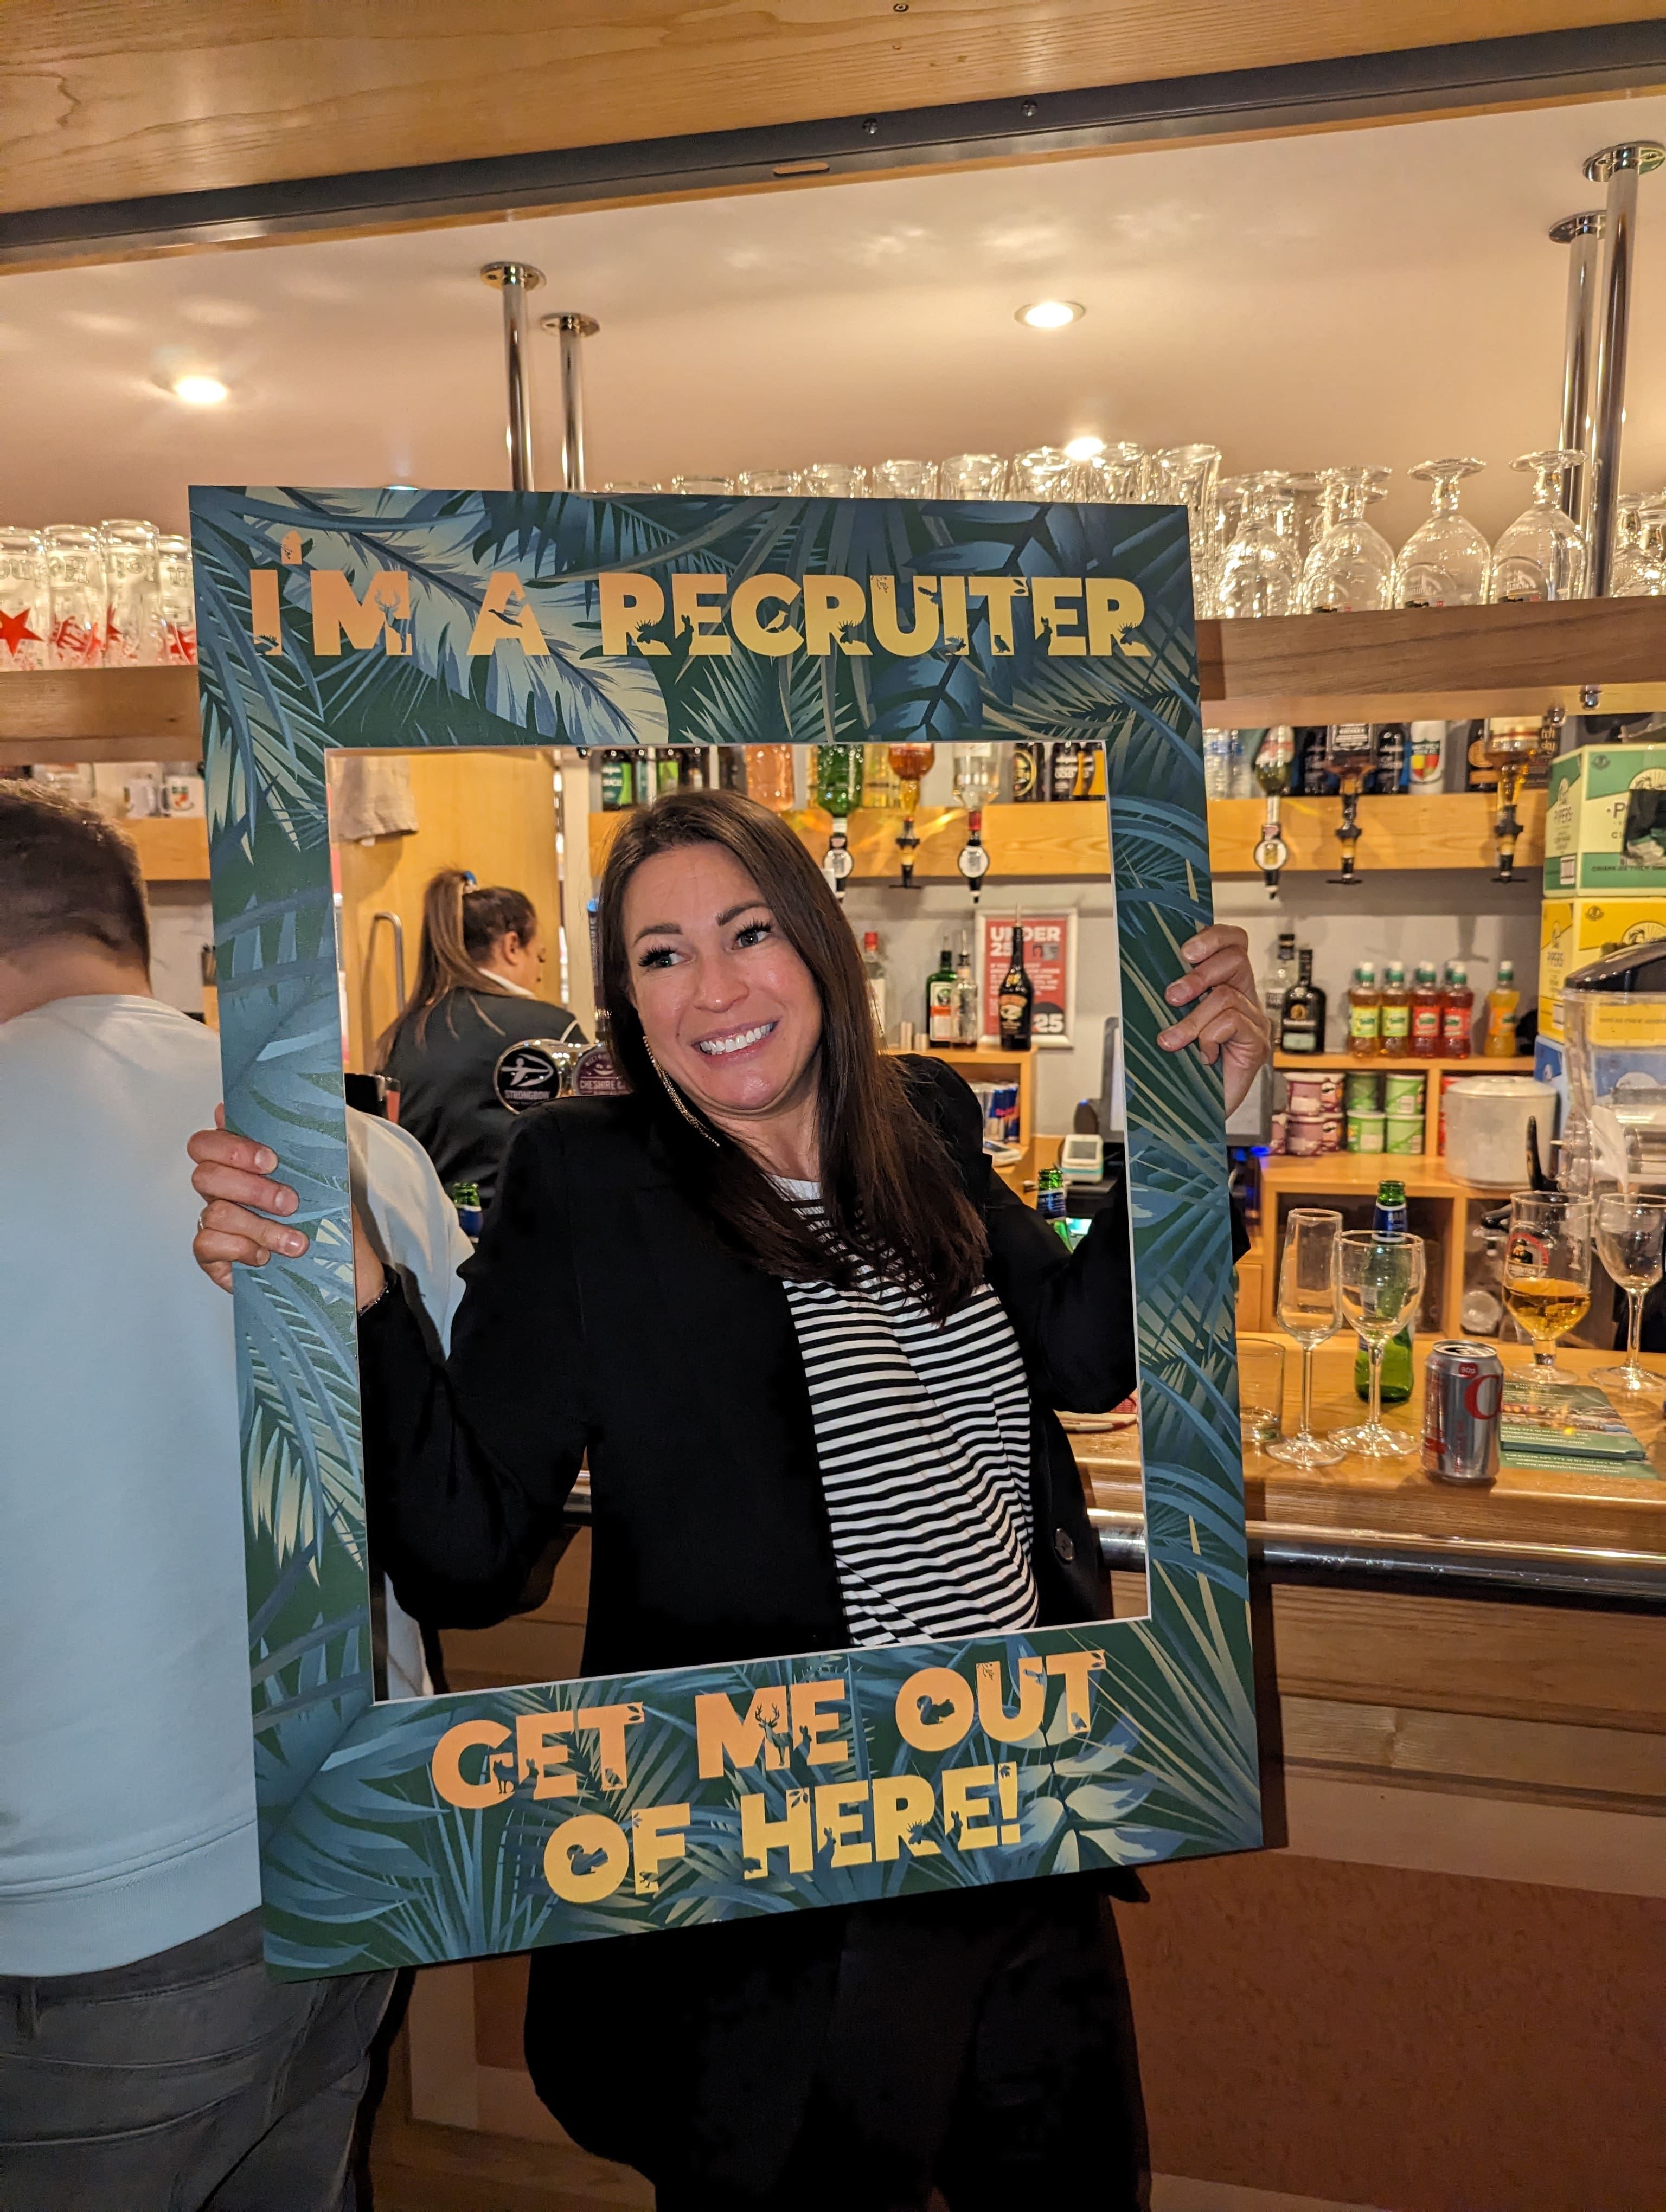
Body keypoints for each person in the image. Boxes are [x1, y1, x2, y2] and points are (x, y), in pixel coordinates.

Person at [191, 787, 1270, 2210]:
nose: (712, 989)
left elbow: (1080, 1350)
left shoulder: (922, 1118)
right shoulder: (589, 1181)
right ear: (623, 1000)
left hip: (1019, 1823)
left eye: (748, 933)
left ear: (819, 942)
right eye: (659, 955)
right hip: (786, 1885)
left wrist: (1208, 1135)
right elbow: (468, 1555)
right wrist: (362, 1305)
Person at [0, 783, 469, 2208]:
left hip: (95, 1917)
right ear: (130, 935)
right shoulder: (350, 1145)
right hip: (354, 1840)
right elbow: (453, 1488)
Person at [378, 868, 586, 1207]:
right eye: (541, 957)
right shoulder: (551, 1030)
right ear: (512, 946)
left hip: (426, 1232)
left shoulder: (406, 1030)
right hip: (521, 1231)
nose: (538, 974)